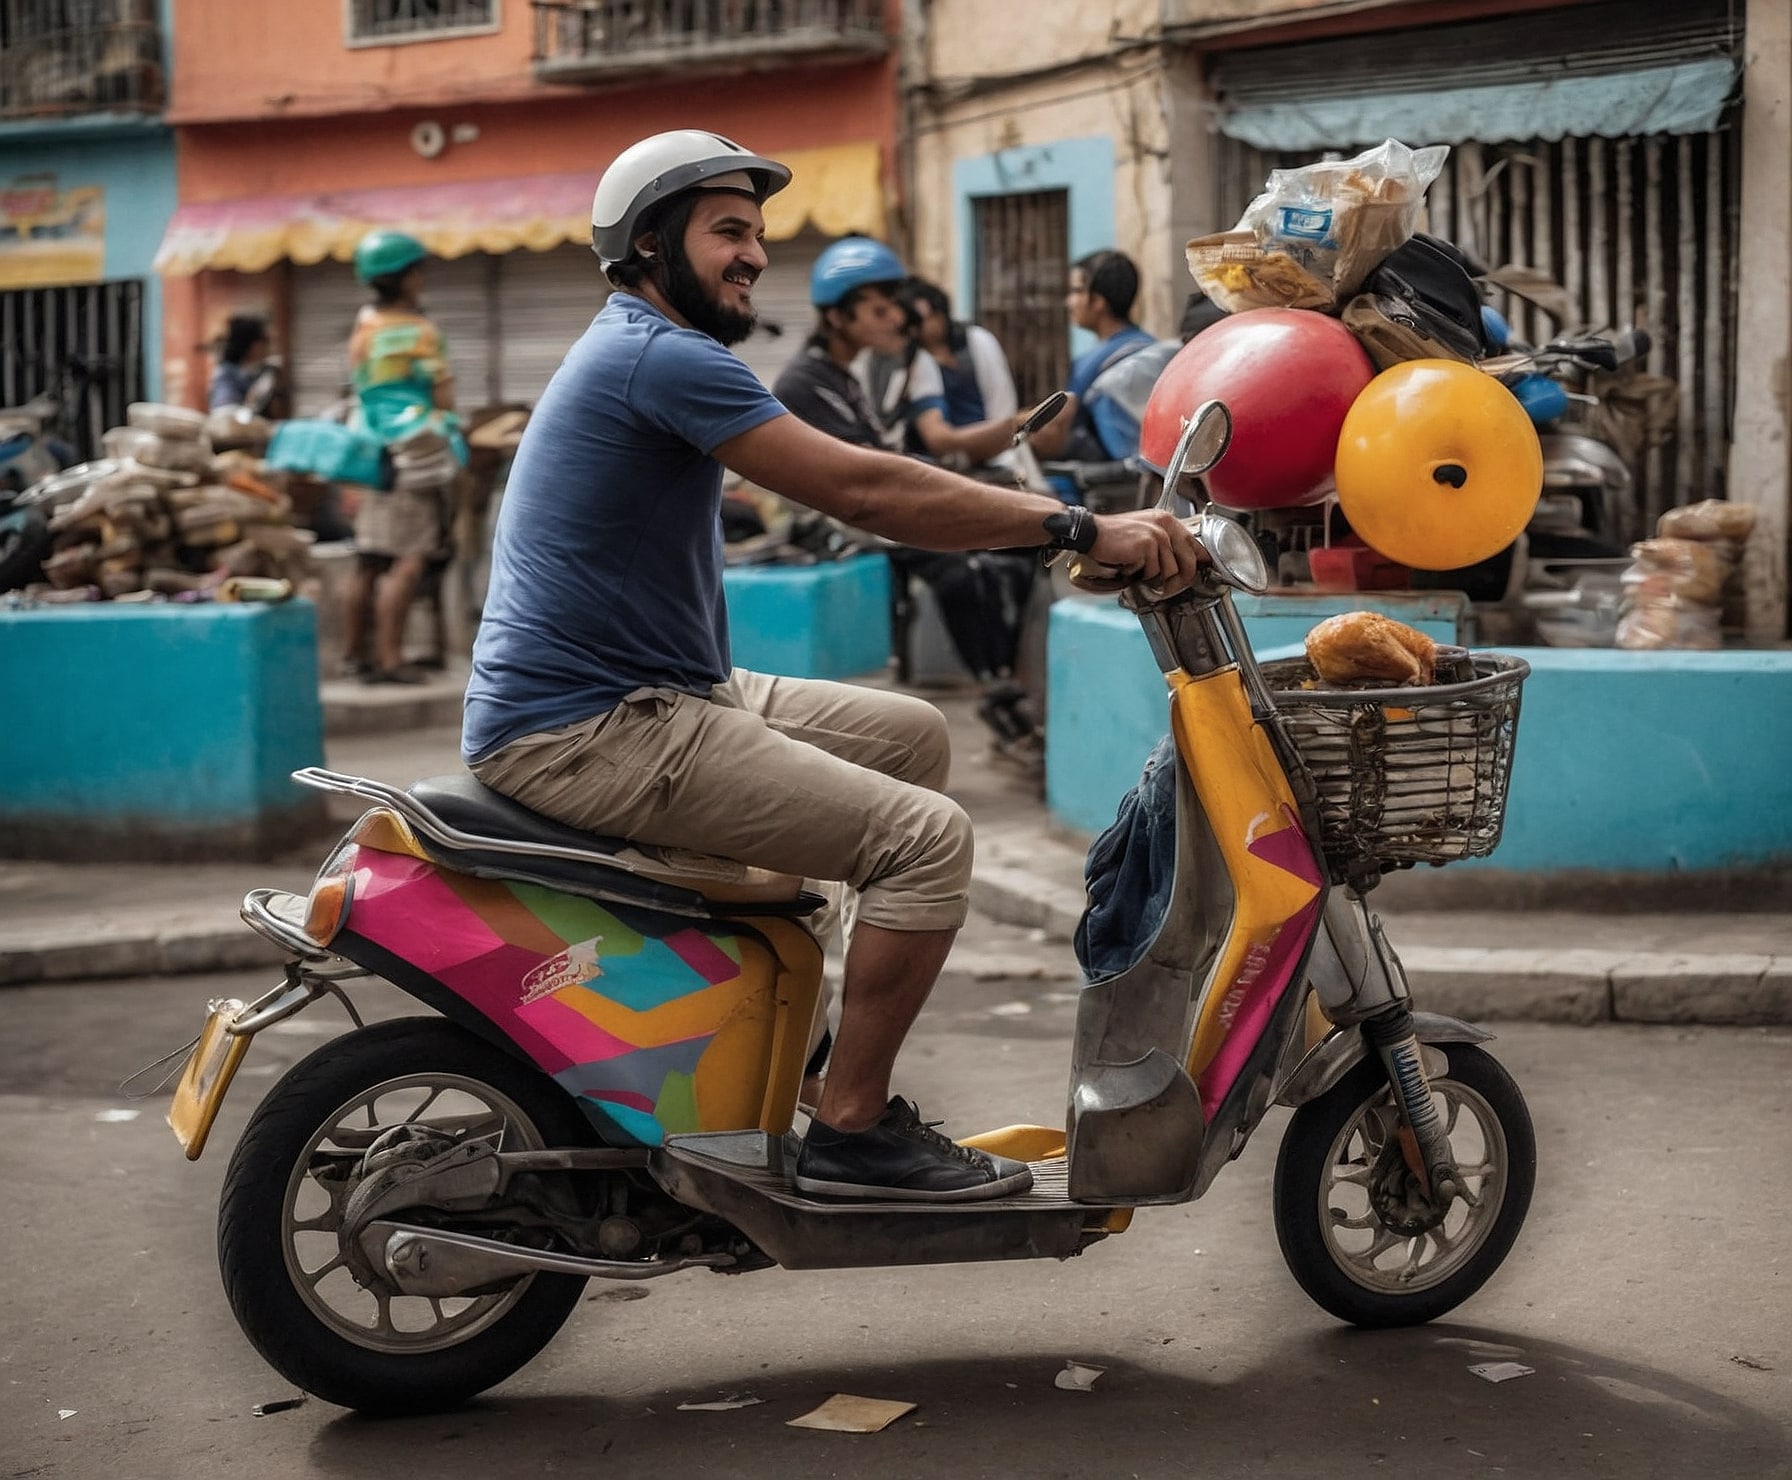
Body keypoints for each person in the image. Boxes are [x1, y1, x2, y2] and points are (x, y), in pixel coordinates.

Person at [462, 130, 1200, 1204]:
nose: (755, 256)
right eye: (728, 232)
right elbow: (865, 490)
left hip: (657, 690)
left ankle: (803, 1056)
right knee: (925, 842)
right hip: (593, 723)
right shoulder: (660, 356)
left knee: (912, 736)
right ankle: (852, 1125)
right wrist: (1077, 527)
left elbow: (870, 479)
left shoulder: (647, 349)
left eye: (758, 234)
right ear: (650, 244)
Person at [773, 244, 1042, 761]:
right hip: (844, 521)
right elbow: (860, 475)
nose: (895, 319)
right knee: (961, 571)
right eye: (879, 310)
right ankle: (997, 690)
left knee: (1017, 553)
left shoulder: (845, 374)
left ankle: (1006, 684)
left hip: (873, 507)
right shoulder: (806, 381)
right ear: (837, 317)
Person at [338, 229, 464, 684]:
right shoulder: (421, 332)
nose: (421, 279)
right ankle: (391, 659)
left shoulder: (364, 325)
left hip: (370, 452)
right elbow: (443, 397)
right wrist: (451, 431)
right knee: (409, 558)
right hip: (414, 454)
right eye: (417, 272)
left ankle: (355, 654)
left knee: (369, 559)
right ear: (405, 277)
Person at [1029, 249, 1158, 478]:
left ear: (1098, 301)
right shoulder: (1152, 347)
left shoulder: (1088, 366)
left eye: (1076, 291)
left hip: (1107, 481)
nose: (1069, 302)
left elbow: (1056, 430)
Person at [208, 314, 285, 417]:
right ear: (252, 345)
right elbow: (225, 412)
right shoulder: (227, 374)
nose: (269, 346)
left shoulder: (266, 370)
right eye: (265, 341)